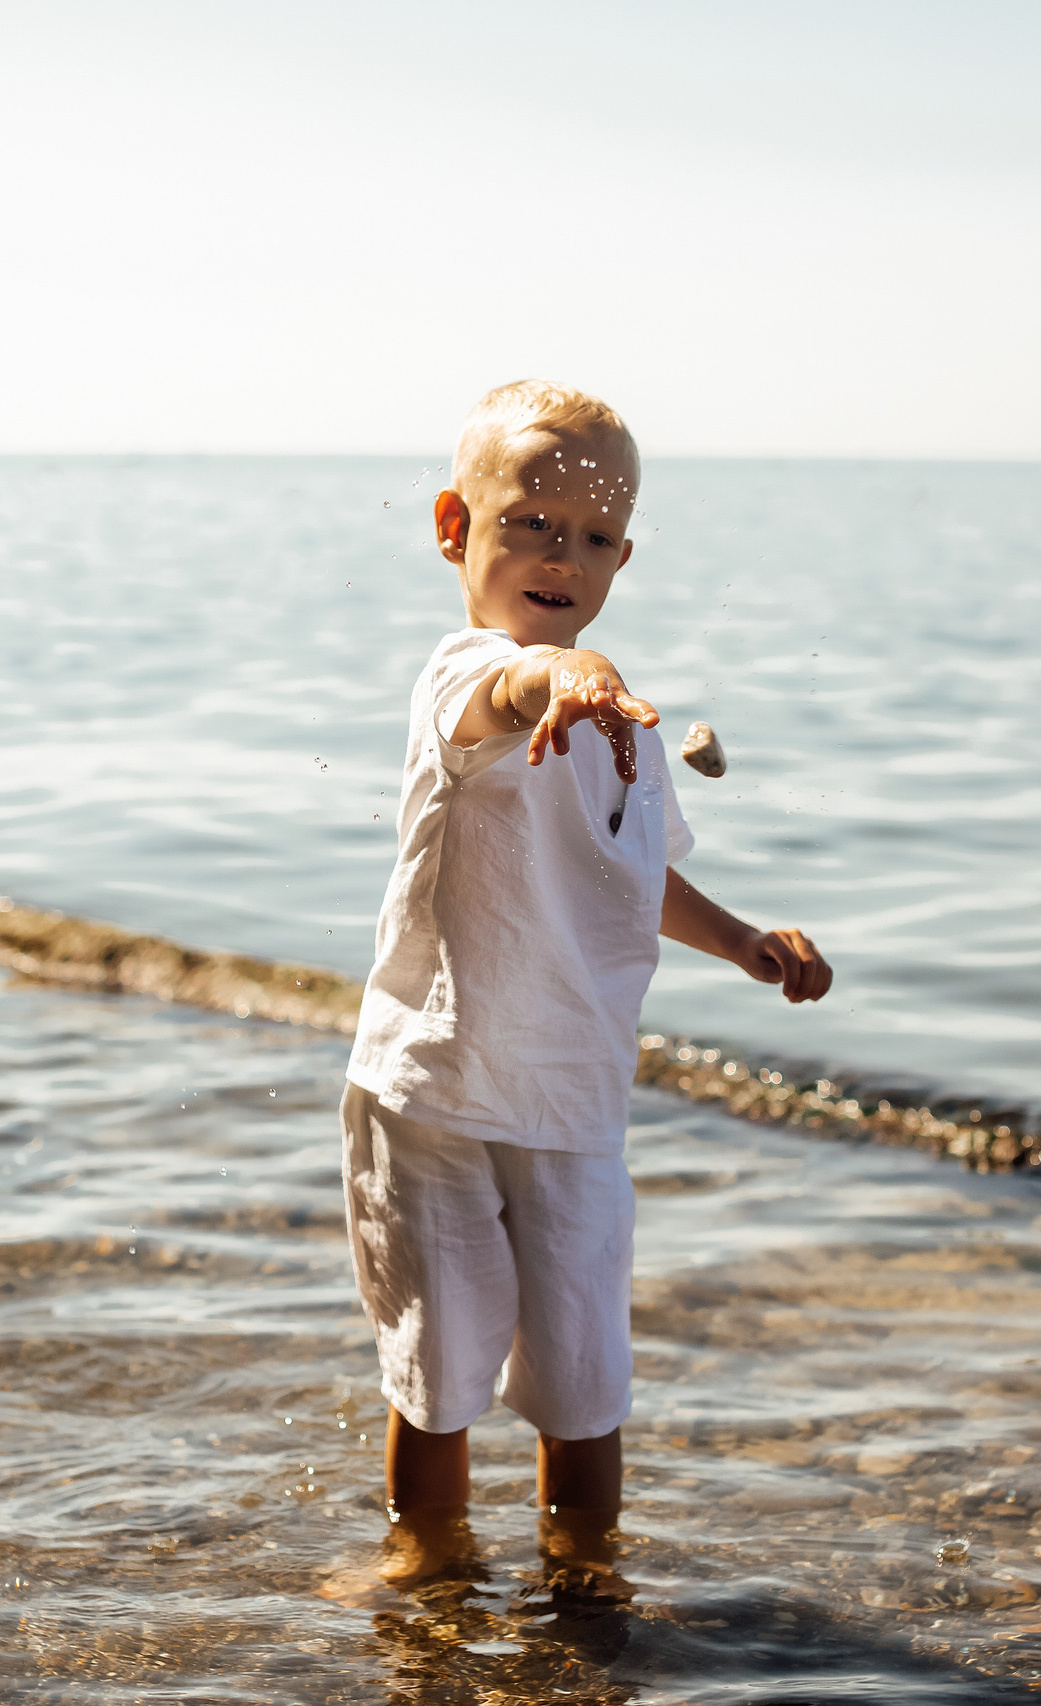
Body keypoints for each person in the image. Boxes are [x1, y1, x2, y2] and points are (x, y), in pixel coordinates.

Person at [338, 379, 833, 1600]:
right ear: (456, 526)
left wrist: (744, 943)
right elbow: (507, 696)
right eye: (532, 525)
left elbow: (638, 875)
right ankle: (428, 1563)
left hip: (570, 1095)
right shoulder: (468, 674)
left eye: (596, 537)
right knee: (438, 1364)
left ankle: (585, 1573)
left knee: (581, 1367)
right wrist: (565, 675)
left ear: (624, 551)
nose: (563, 556)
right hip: (435, 1086)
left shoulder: (626, 726)